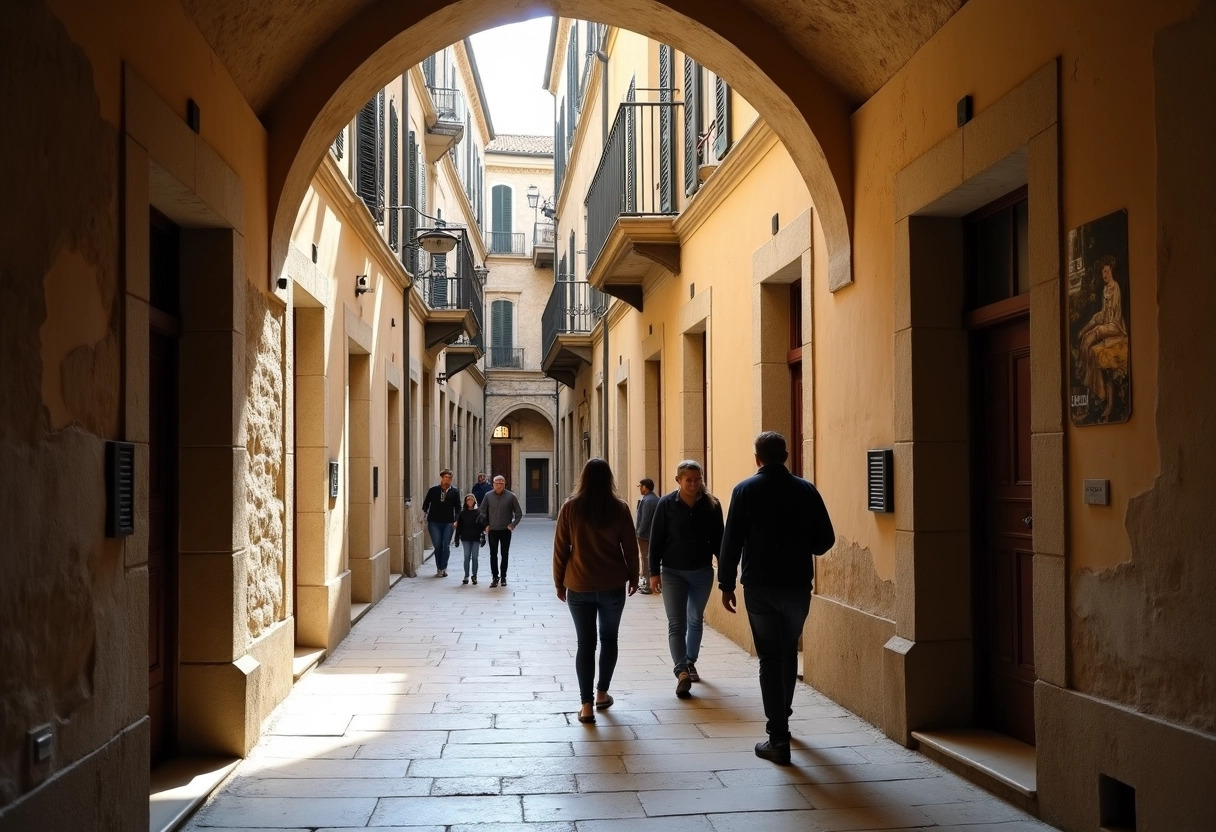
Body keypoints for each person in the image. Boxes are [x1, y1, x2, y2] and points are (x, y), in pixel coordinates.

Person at [718, 431, 834, 765]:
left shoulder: (744, 490)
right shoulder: (806, 490)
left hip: (760, 587)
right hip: (797, 585)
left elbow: (732, 541)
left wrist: (726, 583)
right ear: (785, 456)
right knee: (787, 651)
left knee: (769, 657)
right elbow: (825, 540)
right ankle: (782, 711)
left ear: (757, 458)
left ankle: (777, 737)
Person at [552, 458, 640, 724]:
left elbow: (560, 549)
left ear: (584, 478)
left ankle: (586, 705)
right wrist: (634, 577)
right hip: (612, 586)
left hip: (579, 585)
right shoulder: (620, 508)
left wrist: (559, 582)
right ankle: (602, 693)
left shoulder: (570, 508)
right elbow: (630, 547)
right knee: (609, 640)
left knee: (585, 644)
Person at [648, 460, 724, 699]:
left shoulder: (712, 505)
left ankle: (690, 661)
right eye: (688, 480)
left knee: (695, 619)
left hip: (702, 572)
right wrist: (653, 573)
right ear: (678, 480)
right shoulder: (666, 504)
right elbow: (656, 540)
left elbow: (719, 540)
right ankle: (681, 670)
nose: (693, 484)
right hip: (672, 572)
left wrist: (726, 571)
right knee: (676, 623)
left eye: (697, 479)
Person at [480, 475, 523, 587]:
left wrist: (513, 525)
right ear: (493, 484)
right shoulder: (488, 496)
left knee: (505, 554)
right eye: (497, 483)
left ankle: (503, 576)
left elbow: (518, 513)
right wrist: (485, 525)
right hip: (493, 529)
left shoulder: (511, 496)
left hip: (505, 530)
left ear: (505, 484)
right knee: (493, 554)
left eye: (501, 483)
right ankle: (495, 577)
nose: (499, 485)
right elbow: (482, 511)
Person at [420, 468, 461, 577]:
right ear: (442, 478)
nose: (448, 479)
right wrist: (425, 513)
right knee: (437, 545)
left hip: (448, 522)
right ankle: (439, 567)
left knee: (445, 545)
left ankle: (443, 567)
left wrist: (456, 520)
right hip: (434, 522)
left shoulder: (454, 491)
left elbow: (458, 507)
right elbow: (426, 504)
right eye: (446, 477)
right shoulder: (433, 490)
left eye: (450, 478)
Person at [634, 478, 659, 594]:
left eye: (640, 486)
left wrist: (639, 532)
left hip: (645, 535)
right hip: (652, 534)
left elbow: (645, 519)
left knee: (646, 559)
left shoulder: (648, 500)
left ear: (645, 487)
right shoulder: (654, 498)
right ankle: (649, 583)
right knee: (649, 558)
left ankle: (648, 585)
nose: (640, 489)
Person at [454, 494, 483, 585]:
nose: (470, 501)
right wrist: (456, 538)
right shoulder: (462, 513)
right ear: (466, 502)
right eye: (468, 499)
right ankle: (466, 576)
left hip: (476, 537)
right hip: (465, 537)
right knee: (466, 557)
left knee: (475, 557)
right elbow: (459, 527)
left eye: (471, 499)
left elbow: (481, 525)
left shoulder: (478, 512)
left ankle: (474, 576)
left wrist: (483, 536)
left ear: (474, 501)